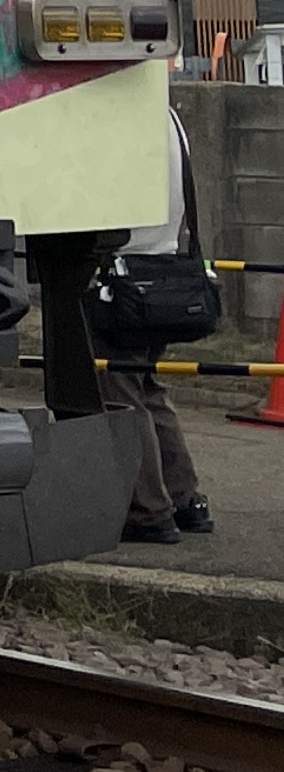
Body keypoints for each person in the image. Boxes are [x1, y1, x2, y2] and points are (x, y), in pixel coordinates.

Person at [98, 112, 220, 543]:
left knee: (120, 392)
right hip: (163, 267)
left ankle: (148, 509)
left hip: (120, 275)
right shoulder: (170, 119)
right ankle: (186, 499)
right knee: (149, 390)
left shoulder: (120, 121)